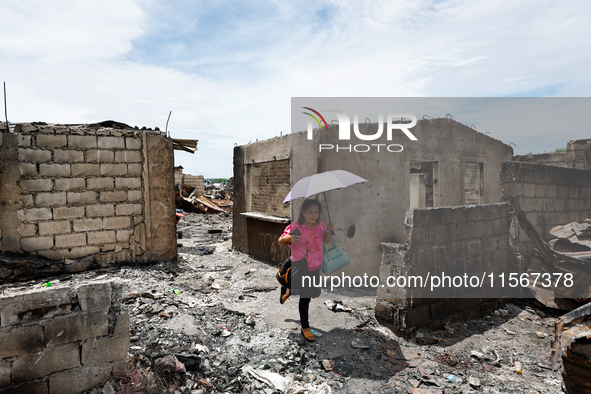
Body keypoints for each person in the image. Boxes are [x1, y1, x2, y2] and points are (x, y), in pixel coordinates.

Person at [278, 199, 334, 341]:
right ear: (303, 212)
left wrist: (329, 230)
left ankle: (290, 290)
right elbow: (280, 241)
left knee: (315, 292)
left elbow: (326, 241)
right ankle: (305, 327)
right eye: (310, 212)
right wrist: (288, 237)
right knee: (306, 297)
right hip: (301, 267)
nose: (313, 215)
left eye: (316, 212)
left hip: (315, 266)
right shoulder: (295, 227)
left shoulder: (320, 226)